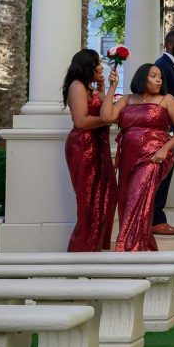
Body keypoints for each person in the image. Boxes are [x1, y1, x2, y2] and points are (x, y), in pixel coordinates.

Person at [102, 63, 174, 252]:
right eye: (154, 76)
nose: (159, 80)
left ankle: (129, 248)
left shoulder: (166, 99)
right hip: (128, 157)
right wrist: (113, 87)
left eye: (160, 77)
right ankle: (143, 246)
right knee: (126, 201)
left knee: (138, 199)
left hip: (153, 157)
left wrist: (165, 149)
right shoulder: (126, 99)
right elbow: (107, 116)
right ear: (142, 78)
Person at [62, 49, 117, 252]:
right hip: (83, 147)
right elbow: (81, 121)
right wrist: (108, 119)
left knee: (106, 194)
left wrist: (106, 87)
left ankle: (96, 245)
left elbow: (103, 108)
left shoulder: (90, 88)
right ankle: (82, 250)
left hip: (98, 146)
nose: (101, 67)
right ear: (87, 67)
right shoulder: (77, 87)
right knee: (89, 200)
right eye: (97, 64)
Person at [151, 30, 174, 236]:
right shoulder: (163, 66)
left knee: (166, 176)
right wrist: (173, 132)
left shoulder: (171, 66)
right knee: (163, 177)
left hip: (173, 132)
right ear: (169, 44)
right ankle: (156, 219)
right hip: (167, 133)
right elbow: (165, 101)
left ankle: (157, 217)